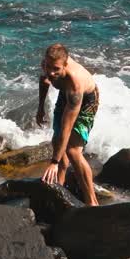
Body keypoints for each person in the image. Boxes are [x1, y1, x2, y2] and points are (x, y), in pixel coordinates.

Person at [36, 43, 100, 205]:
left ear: (65, 65)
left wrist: (54, 162)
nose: (51, 72)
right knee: (57, 141)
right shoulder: (49, 63)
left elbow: (67, 126)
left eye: (56, 69)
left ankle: (92, 202)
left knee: (72, 150)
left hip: (85, 101)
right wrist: (40, 108)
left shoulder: (75, 85)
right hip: (65, 95)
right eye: (48, 66)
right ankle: (59, 188)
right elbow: (44, 80)